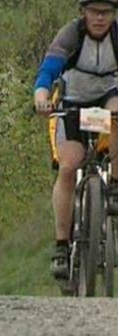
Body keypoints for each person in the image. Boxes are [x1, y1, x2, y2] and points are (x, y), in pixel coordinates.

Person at [34, 0, 118, 283]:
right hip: (73, 104)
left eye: (106, 12)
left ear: (113, 14)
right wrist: (41, 96)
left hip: (107, 100)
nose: (99, 18)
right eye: (94, 11)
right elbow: (48, 71)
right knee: (68, 166)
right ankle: (61, 245)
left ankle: (115, 186)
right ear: (83, 13)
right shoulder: (71, 35)